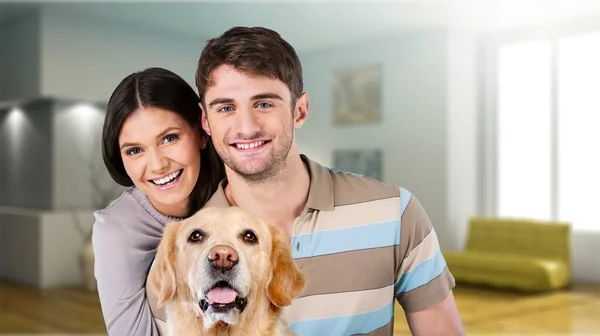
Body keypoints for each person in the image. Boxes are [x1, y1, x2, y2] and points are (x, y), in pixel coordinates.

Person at [187, 26, 464, 335]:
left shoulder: (395, 212)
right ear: (205, 121)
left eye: (264, 104)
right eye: (226, 107)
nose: (247, 127)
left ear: (300, 111)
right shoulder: (184, 246)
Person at [92, 67, 224, 335]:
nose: (157, 165)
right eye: (135, 150)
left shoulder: (236, 192)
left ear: (201, 132)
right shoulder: (117, 230)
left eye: (169, 138)